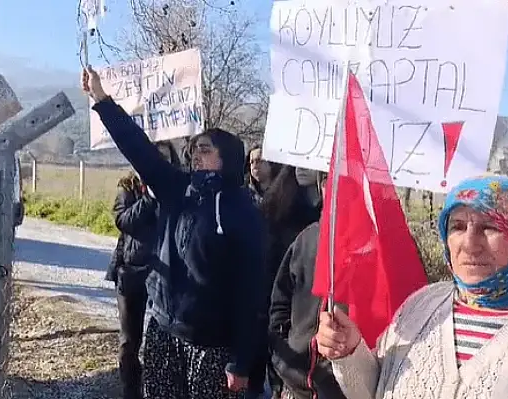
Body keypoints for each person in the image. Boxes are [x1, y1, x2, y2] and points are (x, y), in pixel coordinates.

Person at [82, 66, 266, 399]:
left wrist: (241, 361)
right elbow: (138, 148)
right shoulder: (176, 188)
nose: (196, 155)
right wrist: (102, 100)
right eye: (194, 150)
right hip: (164, 332)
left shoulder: (243, 212)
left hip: (212, 347)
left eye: (206, 150)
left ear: (228, 158)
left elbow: (250, 292)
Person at [317, 175, 508, 399]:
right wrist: (350, 353)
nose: (469, 244)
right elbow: (378, 388)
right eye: (457, 227)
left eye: (490, 227)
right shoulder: (422, 306)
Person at [105, 141, 181, 399]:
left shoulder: (177, 187)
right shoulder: (128, 187)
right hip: (132, 271)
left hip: (167, 273)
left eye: (164, 158)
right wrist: (148, 197)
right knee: (130, 340)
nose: (157, 163)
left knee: (167, 337)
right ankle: (131, 391)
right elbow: (124, 221)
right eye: (153, 157)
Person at [268, 170, 347, 399]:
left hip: (343, 391)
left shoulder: (377, 247)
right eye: (326, 180)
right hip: (294, 384)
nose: (333, 188)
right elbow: (280, 301)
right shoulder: (306, 239)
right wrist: (283, 357)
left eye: (344, 181)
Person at [245, 165, 322, 399]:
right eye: (298, 162)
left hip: (325, 354)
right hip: (287, 321)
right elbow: (276, 280)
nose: (302, 169)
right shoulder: (278, 204)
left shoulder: (327, 221)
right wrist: (279, 341)